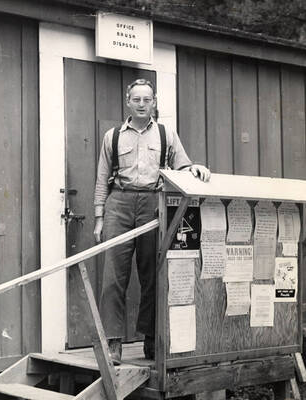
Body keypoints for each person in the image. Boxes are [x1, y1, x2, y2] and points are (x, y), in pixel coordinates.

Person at [94, 78, 211, 365]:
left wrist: (195, 167)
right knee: (113, 278)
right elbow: (100, 179)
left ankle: (150, 339)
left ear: (154, 101)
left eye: (147, 100)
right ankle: (113, 343)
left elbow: (184, 166)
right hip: (119, 204)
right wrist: (99, 217)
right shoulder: (113, 136)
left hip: (152, 205)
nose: (142, 105)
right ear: (128, 101)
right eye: (137, 99)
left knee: (152, 276)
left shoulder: (165, 133)